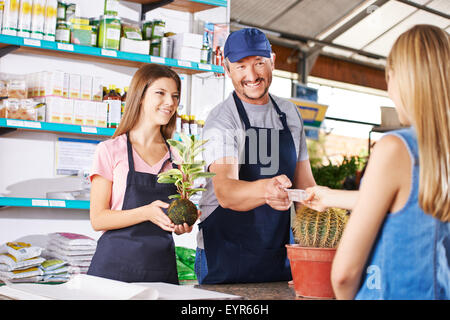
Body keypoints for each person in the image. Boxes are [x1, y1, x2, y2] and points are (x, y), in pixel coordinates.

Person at [302, 24, 449, 300]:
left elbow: (344, 274)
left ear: (398, 79)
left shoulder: (396, 148)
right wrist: (331, 197)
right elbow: (410, 205)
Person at [195, 28, 316, 284]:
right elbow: (226, 192)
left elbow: (305, 188)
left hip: (276, 252)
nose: (251, 76)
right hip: (224, 254)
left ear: (272, 60)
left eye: (259, 63)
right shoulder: (222, 119)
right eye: (240, 66)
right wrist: (267, 189)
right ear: (227, 69)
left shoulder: (289, 113)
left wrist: (313, 250)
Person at [87, 64, 196, 284]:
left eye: (175, 96)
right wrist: (146, 212)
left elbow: (175, 221)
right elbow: (98, 219)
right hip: (113, 272)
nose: (170, 102)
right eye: (161, 93)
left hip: (160, 272)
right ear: (140, 97)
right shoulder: (110, 150)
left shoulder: (178, 158)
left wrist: (182, 226)